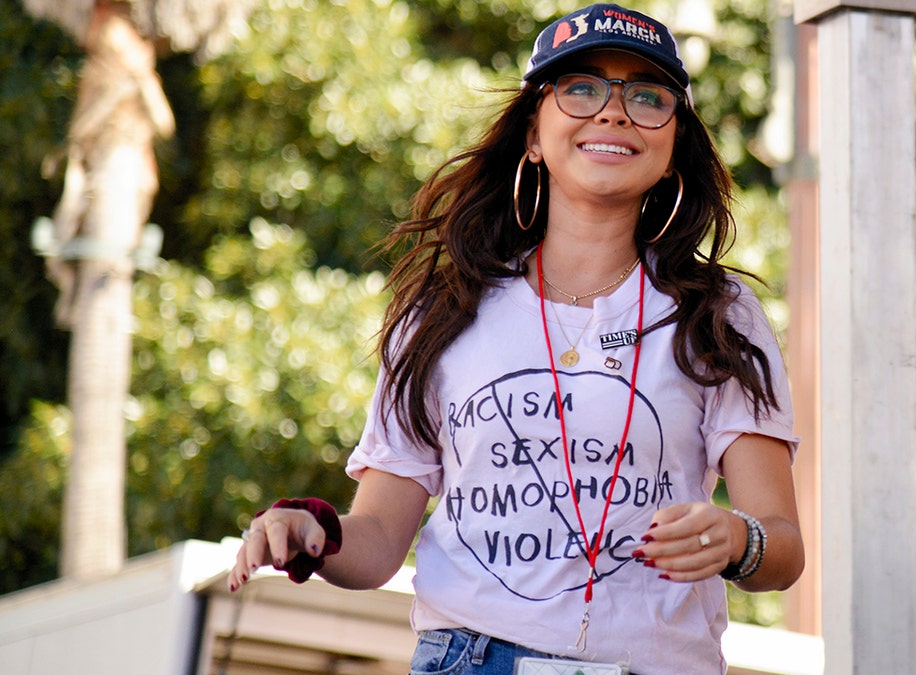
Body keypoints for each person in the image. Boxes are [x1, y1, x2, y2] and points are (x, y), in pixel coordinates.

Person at [228, 4, 804, 673]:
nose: (614, 112)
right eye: (581, 88)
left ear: (675, 146)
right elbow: (381, 538)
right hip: (469, 657)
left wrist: (738, 538)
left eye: (648, 97)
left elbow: (783, 550)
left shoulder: (719, 315)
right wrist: (311, 532)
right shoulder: (444, 310)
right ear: (533, 131)